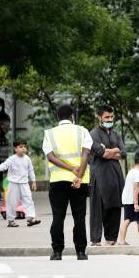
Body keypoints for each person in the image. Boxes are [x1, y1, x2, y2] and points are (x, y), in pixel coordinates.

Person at [43, 104, 92, 260]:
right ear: (72, 116)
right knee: (79, 217)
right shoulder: (82, 131)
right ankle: (81, 252)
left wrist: (69, 168)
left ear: (58, 117)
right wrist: (78, 174)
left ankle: (57, 252)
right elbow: (86, 154)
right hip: (79, 180)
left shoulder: (49, 134)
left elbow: (50, 157)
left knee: (58, 217)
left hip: (58, 181)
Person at [89, 105, 126, 246]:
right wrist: (114, 151)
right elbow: (100, 152)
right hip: (100, 176)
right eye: (106, 117)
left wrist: (112, 151)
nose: (109, 119)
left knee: (115, 207)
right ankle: (96, 240)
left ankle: (111, 239)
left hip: (116, 176)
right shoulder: (93, 134)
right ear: (99, 117)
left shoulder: (116, 134)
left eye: (111, 117)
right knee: (98, 208)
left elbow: (123, 154)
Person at [0, 140, 41, 228]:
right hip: (13, 183)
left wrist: (33, 181)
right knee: (11, 202)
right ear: (15, 149)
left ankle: (30, 219)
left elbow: (31, 170)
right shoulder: (12, 159)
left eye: (24, 147)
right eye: (21, 147)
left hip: (24, 183)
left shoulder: (27, 159)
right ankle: (11, 221)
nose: (23, 148)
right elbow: (3, 166)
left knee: (29, 200)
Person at [118, 150, 139, 245]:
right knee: (128, 220)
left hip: (128, 199)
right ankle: (122, 241)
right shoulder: (138, 174)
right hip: (133, 200)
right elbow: (135, 189)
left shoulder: (131, 171)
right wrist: (136, 204)